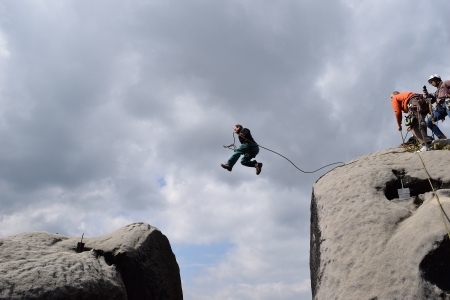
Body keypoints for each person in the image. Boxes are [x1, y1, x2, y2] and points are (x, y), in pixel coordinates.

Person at [423, 74, 450, 139]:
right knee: (429, 122)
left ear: (436, 79)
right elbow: (432, 100)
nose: (431, 84)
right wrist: (426, 94)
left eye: (432, 81)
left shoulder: (445, 83)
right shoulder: (437, 91)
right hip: (441, 108)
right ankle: (442, 137)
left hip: (448, 104)